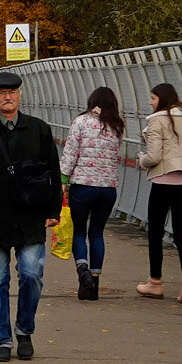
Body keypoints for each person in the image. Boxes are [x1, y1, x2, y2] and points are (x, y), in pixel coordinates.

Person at [0, 70, 62, 362]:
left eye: (12, 93)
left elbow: (53, 173)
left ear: (19, 96)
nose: (7, 98)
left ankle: (24, 331)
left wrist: (53, 211)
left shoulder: (38, 130)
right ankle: (2, 340)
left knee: (31, 275)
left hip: (31, 217)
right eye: (2, 94)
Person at [136, 83, 182, 304]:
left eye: (153, 98)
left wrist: (141, 160)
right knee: (181, 234)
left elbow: (154, 156)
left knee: (155, 232)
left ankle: (155, 283)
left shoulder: (157, 121)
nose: (151, 102)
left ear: (162, 100)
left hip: (163, 182)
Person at [60, 87, 124, 301]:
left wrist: (63, 180)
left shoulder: (81, 122)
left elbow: (70, 153)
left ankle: (82, 271)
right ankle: (94, 283)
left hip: (82, 186)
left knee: (79, 232)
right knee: (97, 233)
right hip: (107, 188)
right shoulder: (117, 125)